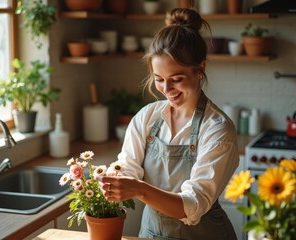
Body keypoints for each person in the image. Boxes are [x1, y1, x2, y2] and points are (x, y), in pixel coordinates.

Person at [97, 7, 239, 240]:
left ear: (200, 69)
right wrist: (113, 179)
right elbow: (128, 167)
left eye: (176, 79)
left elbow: (192, 206)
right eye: (159, 80)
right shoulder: (147, 117)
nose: (167, 89)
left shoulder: (217, 129)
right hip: (151, 234)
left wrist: (139, 189)